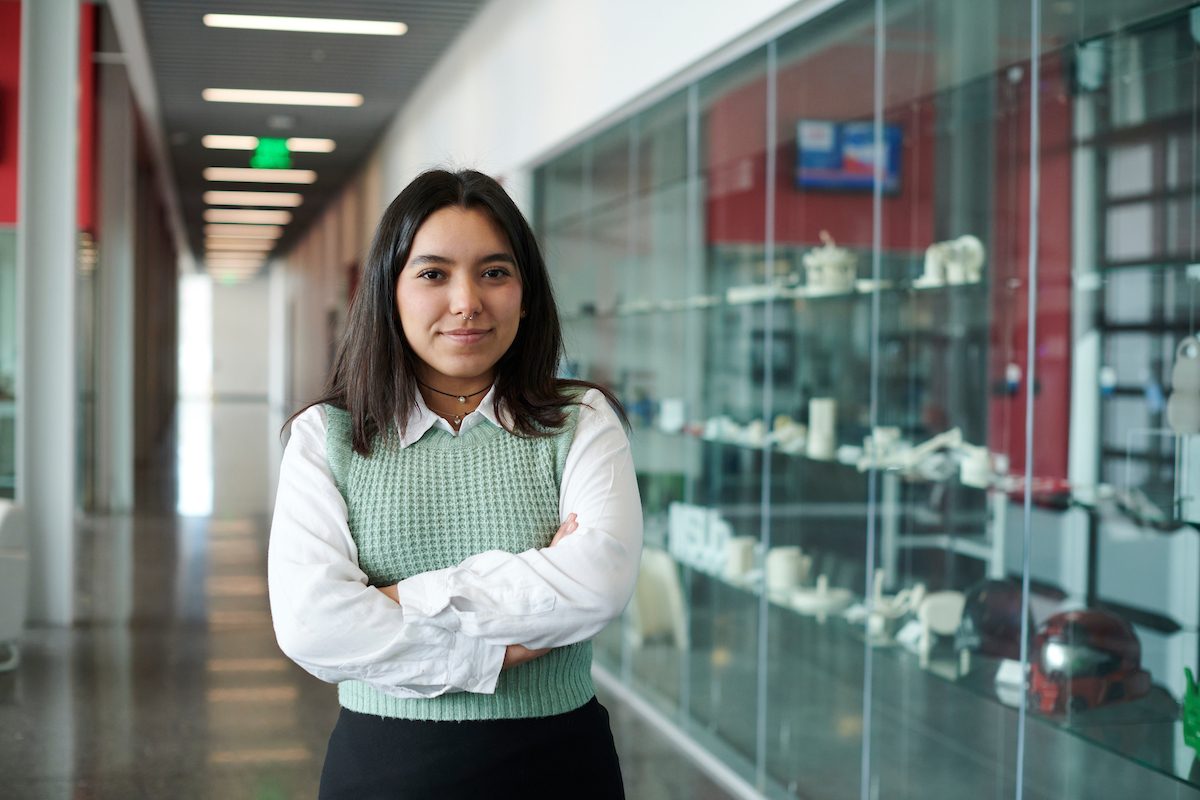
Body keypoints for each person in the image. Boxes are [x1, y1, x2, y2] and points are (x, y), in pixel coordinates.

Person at [267, 168, 643, 799]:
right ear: (389, 292)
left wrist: (392, 601)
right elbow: (312, 626)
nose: (466, 301)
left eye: (494, 272)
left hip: (555, 763)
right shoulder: (326, 436)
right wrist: (492, 649)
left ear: (526, 294)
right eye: (433, 273)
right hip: (385, 767)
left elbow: (597, 585)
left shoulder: (581, 420)